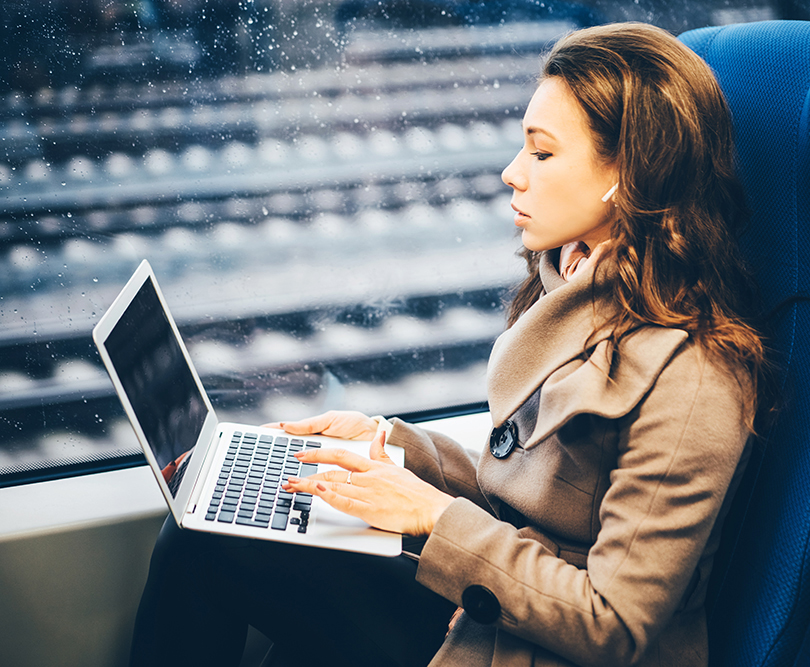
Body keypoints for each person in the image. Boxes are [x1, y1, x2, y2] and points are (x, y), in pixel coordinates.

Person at [130, 22, 768, 667]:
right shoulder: (577, 289)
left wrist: (434, 516)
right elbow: (522, 497)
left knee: (208, 547)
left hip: (543, 645)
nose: (511, 173)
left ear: (630, 174)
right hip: (504, 597)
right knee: (225, 536)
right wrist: (389, 446)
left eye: (542, 154)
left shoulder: (696, 378)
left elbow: (614, 625)